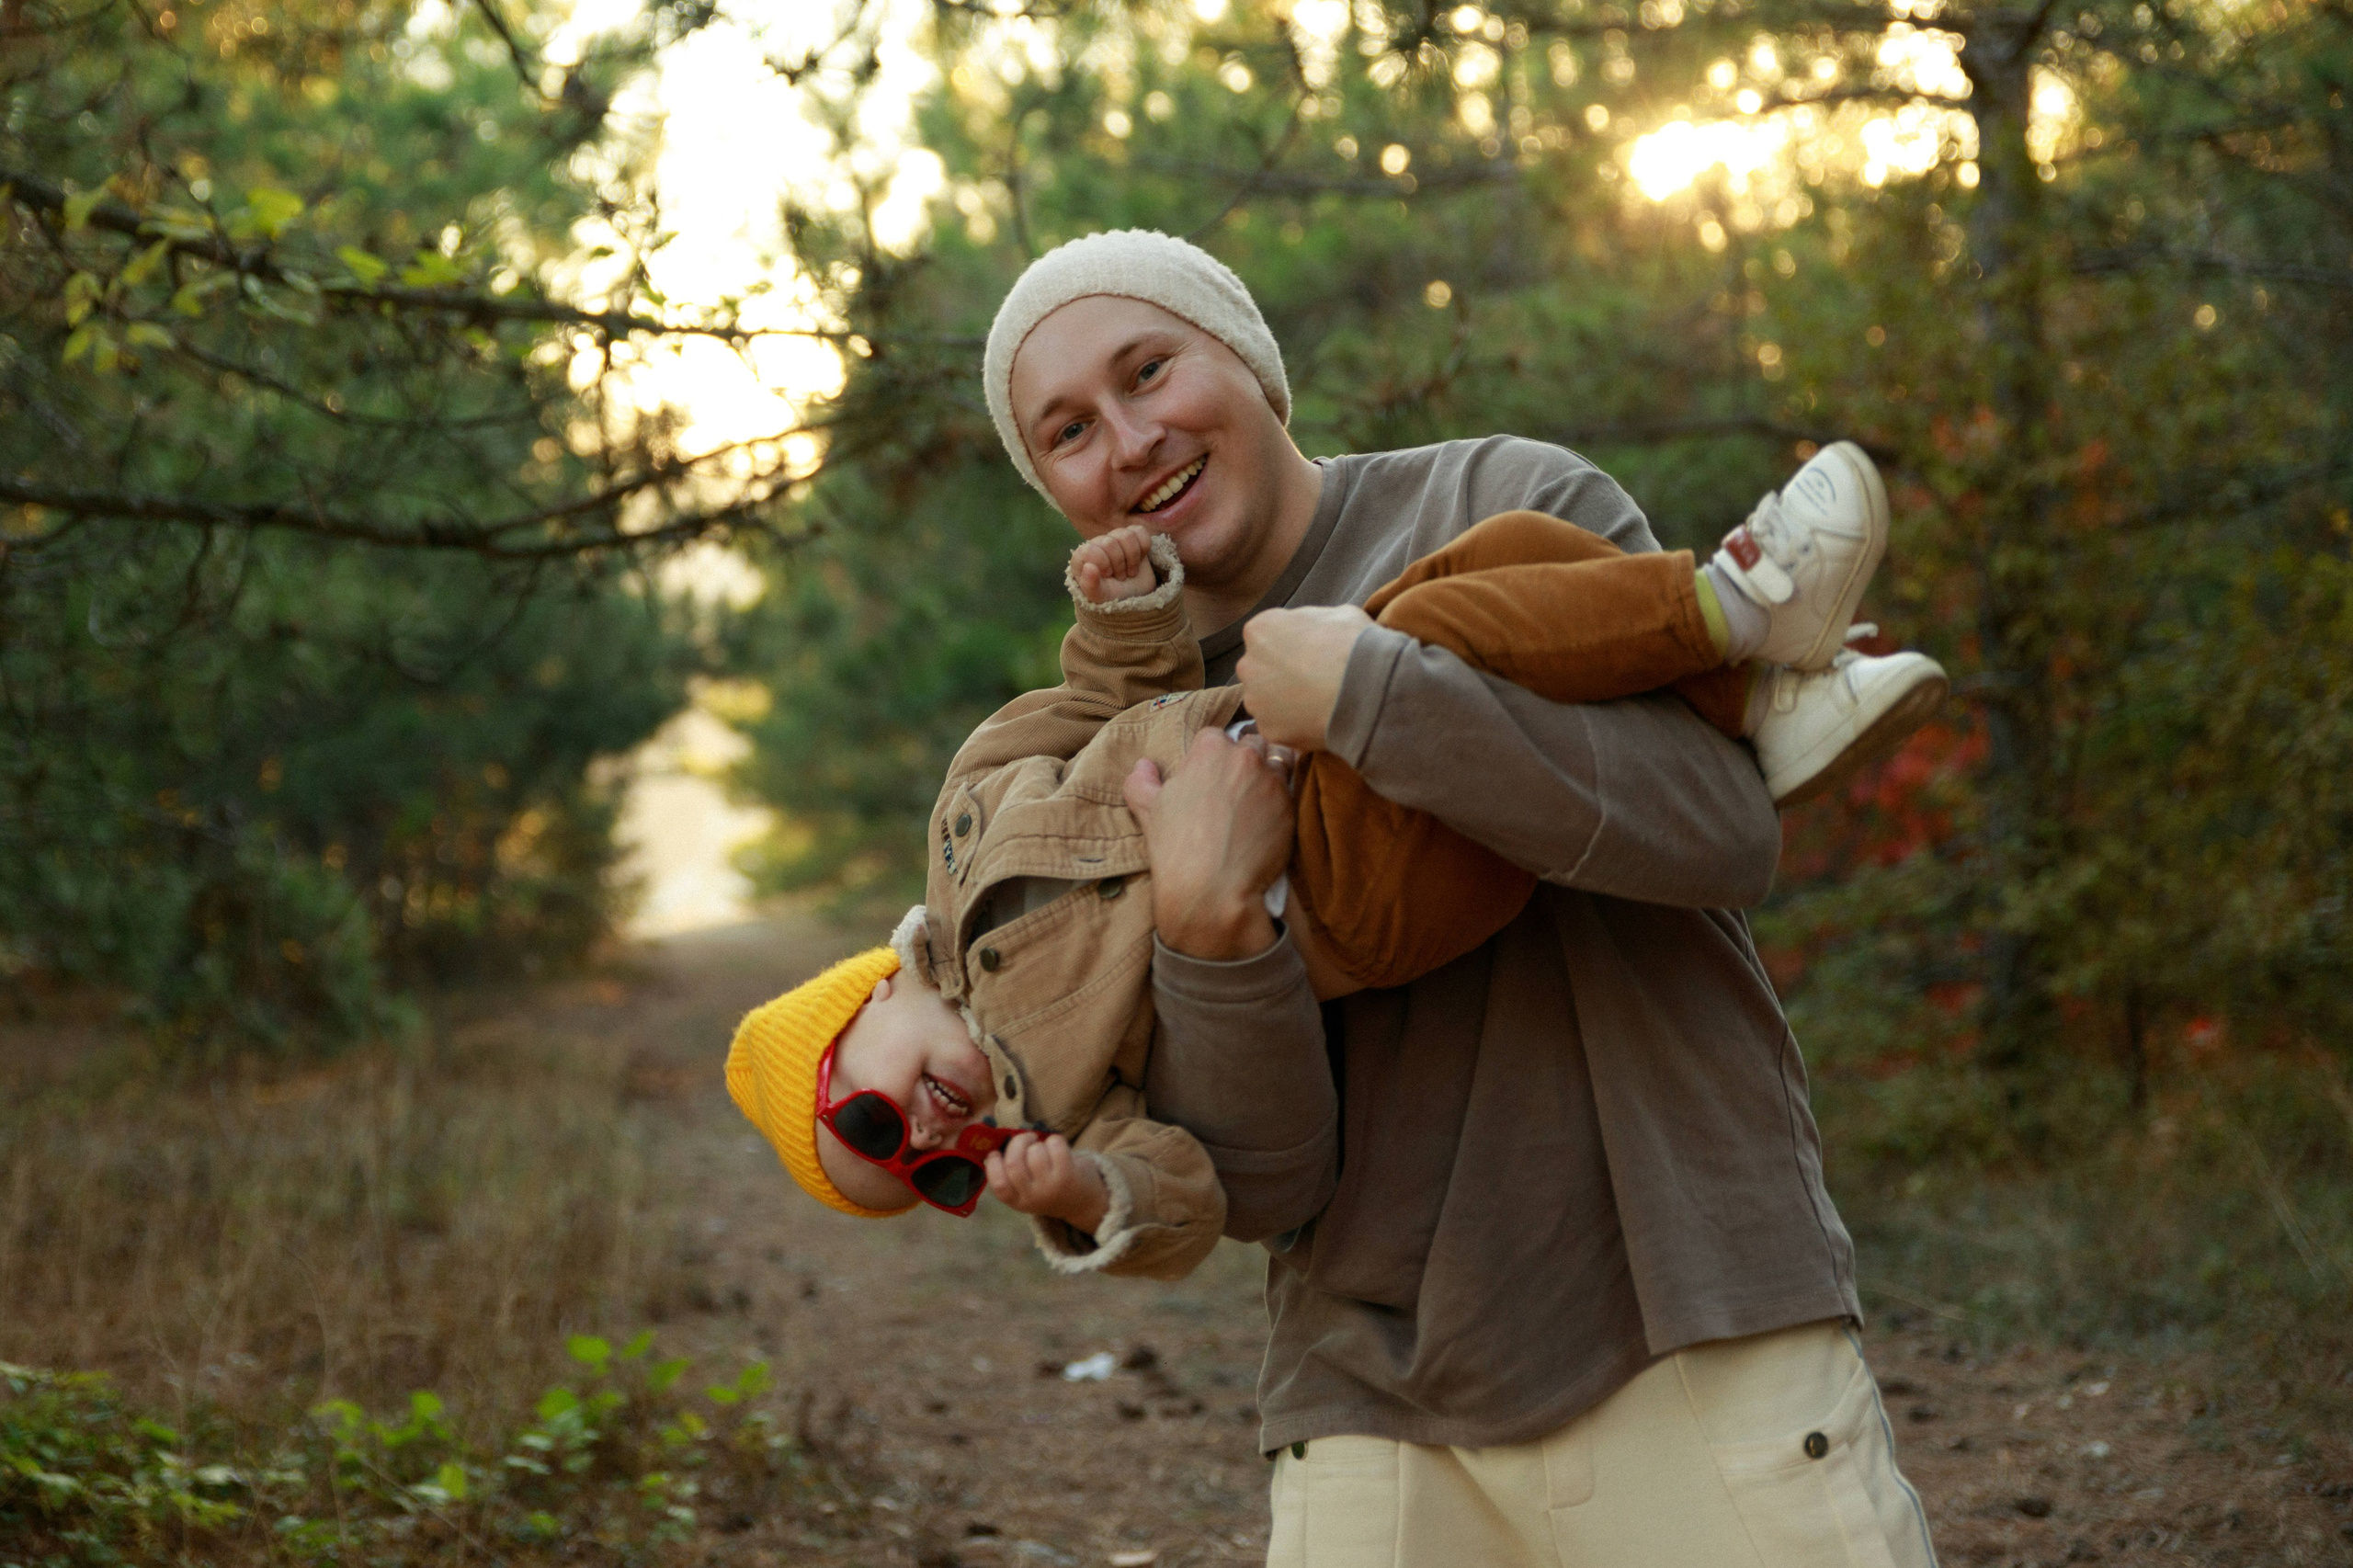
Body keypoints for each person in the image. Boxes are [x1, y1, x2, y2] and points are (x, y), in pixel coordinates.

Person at [980, 229, 1940, 1568]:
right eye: (1070, 430)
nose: (1132, 440)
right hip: (1367, 1396)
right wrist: (1207, 921)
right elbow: (1265, 1175)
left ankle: (1744, 621)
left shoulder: (1499, 502)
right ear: (1054, 489)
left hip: (1686, 1311)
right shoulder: (1120, 753)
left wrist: (1373, 697)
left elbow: (1719, 832)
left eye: (1150, 371)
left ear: (1249, 361)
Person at [725, 432, 1946, 1282]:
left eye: (874, 1125)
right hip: (1344, 895)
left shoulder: (965, 819)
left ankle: (1757, 704)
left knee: (1499, 552)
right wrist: (1089, 1198)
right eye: (934, 1184)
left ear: (858, 1005)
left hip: (1304, 753)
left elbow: (1105, 704)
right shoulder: (1063, 1110)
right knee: (1418, 626)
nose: (932, 1142)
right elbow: (1187, 1192)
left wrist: (1125, 610)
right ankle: (1738, 609)